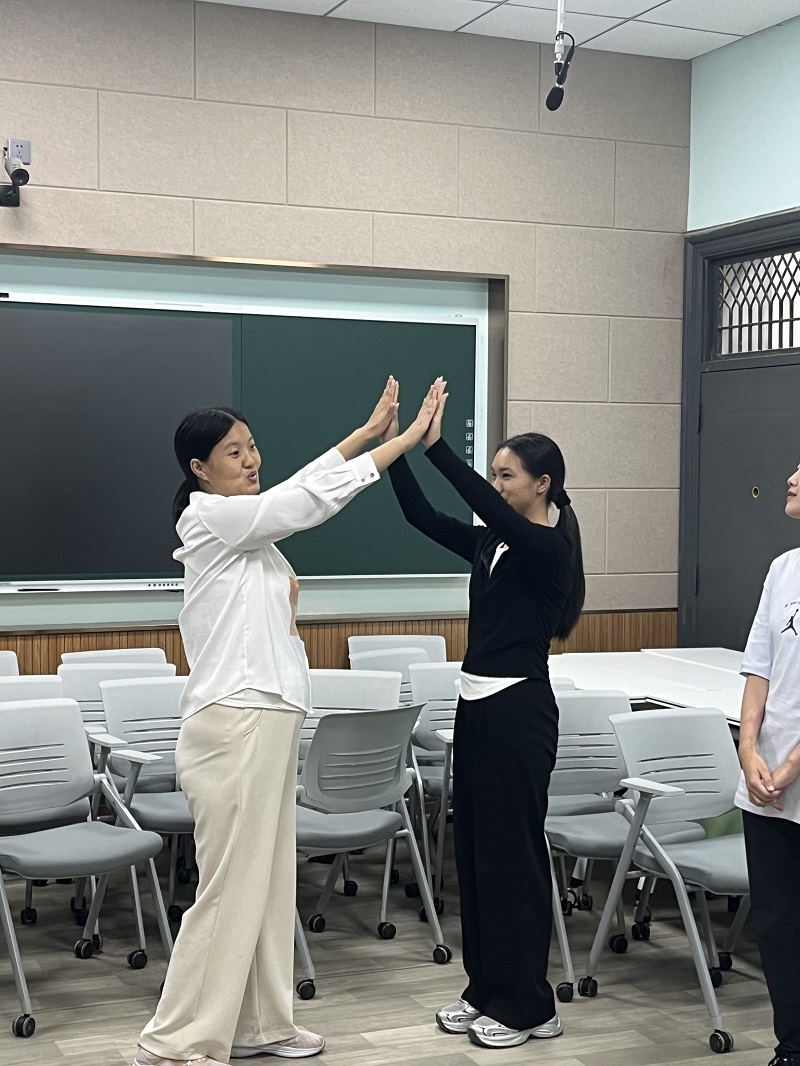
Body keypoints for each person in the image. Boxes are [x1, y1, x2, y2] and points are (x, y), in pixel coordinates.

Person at [134, 378, 438, 1066]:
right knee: (229, 886)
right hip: (234, 721)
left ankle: (260, 1023)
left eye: (252, 447)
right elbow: (303, 502)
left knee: (268, 881)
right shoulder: (210, 518)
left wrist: (363, 434)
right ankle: (173, 1042)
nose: (251, 459)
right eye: (234, 452)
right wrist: (399, 444)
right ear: (199, 468)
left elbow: (295, 488)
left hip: (268, 716)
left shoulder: (249, 531)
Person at [382, 378, 585, 1049]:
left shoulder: (547, 548)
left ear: (543, 485)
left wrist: (437, 448)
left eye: (507, 475)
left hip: (518, 713)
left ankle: (530, 1005)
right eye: (493, 473)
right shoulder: (493, 543)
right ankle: (486, 988)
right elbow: (421, 518)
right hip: (475, 709)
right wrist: (396, 450)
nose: (497, 485)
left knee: (513, 859)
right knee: (473, 853)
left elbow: (483, 506)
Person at [736, 461, 800, 1066]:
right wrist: (749, 749)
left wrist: (791, 766)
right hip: (766, 783)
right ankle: (791, 1046)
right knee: (778, 922)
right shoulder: (783, 568)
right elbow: (758, 667)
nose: (793, 476)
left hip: (788, 776)